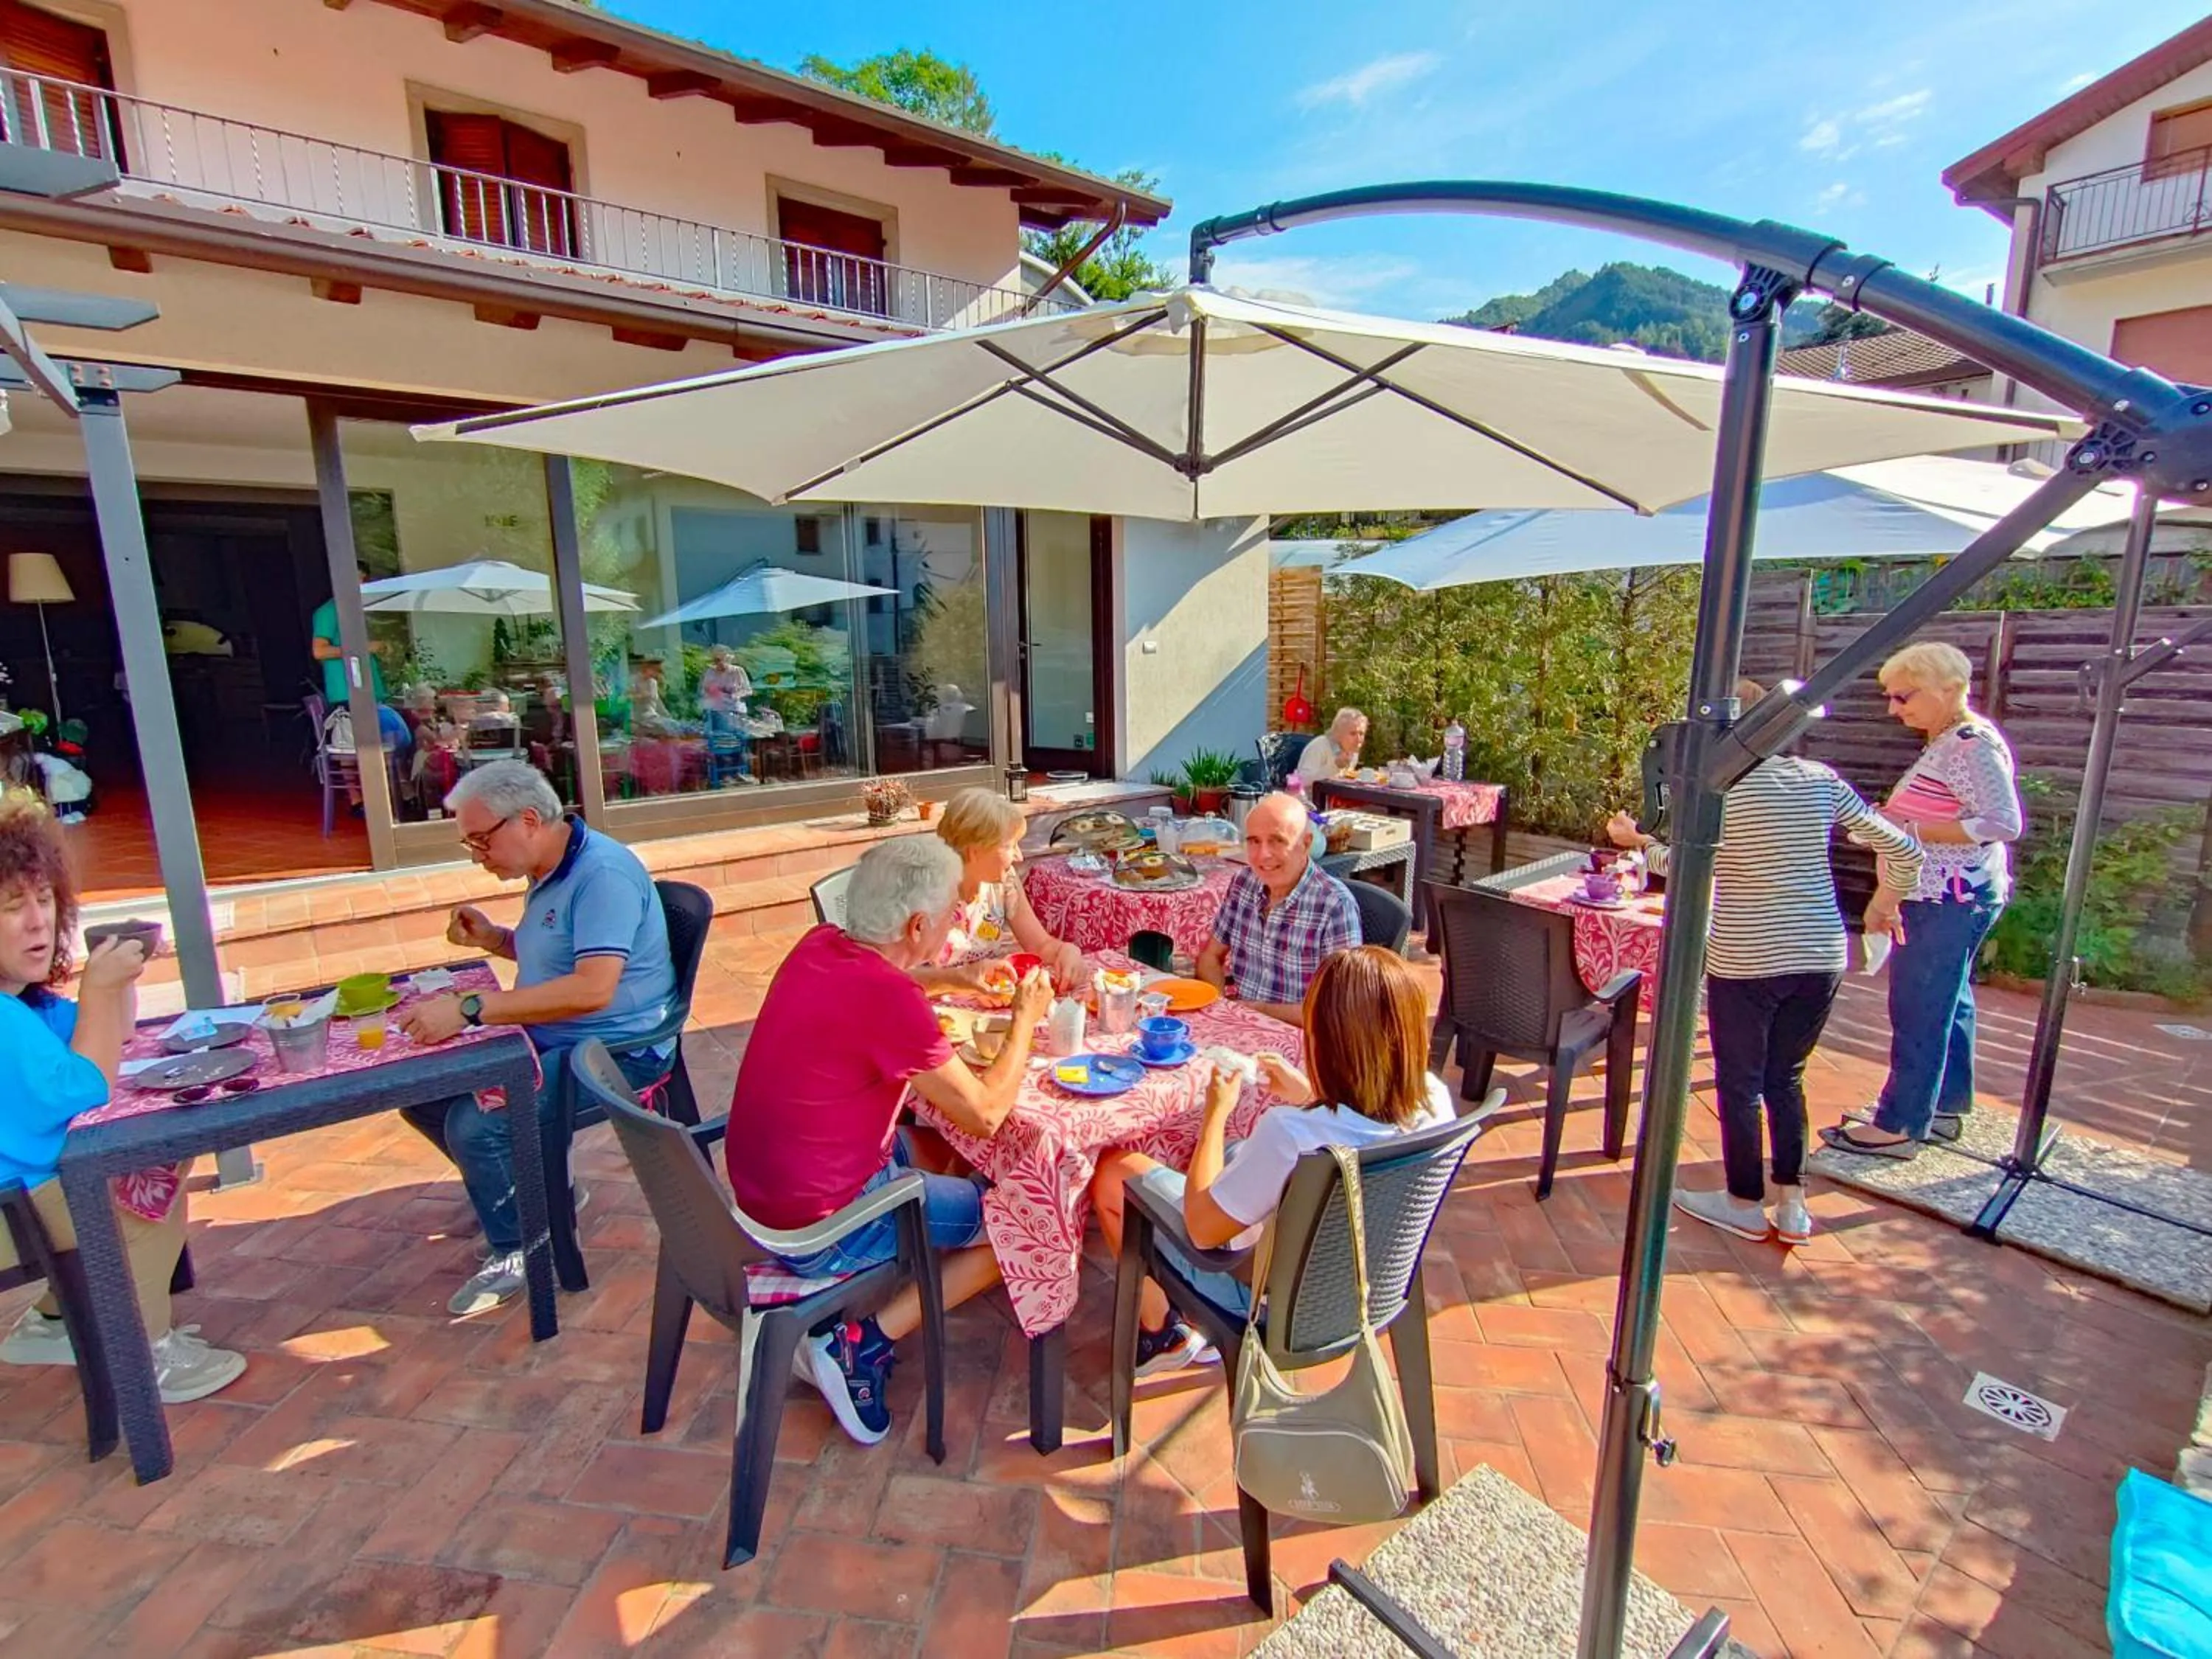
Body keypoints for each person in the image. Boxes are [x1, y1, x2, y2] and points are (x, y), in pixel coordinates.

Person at [723, 835, 1053, 1446]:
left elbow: (882, 987)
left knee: (943, 1154)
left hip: (769, 1189)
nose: (960, 917)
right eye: (953, 910)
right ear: (919, 923)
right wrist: (1028, 1018)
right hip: (819, 1226)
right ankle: (861, 1343)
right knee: (1023, 1221)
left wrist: (957, 974)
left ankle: (927, 1257)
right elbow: (984, 1113)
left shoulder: (819, 945)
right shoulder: (890, 998)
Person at [1606, 679, 1922, 1243]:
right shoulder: (1820, 780)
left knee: (1741, 1082)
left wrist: (1634, 840)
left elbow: (1686, 863)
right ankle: (1794, 1204)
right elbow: (1904, 847)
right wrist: (1884, 901)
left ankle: (1745, 1201)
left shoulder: (1717, 791)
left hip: (1746, 956)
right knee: (1788, 1077)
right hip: (1819, 953)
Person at [1088, 945, 1455, 1373]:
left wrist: (1214, 1115)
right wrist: (1310, 1096)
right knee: (1232, 1154)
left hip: (1272, 1305)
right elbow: (1362, 1126)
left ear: (1327, 1044)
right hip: (1372, 1283)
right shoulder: (1435, 1098)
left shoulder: (1290, 1133)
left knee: (1115, 1173)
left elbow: (1203, 1231)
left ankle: (1164, 1333)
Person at [397, 761, 678, 1315]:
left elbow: (594, 988)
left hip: (614, 1053)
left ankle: (520, 1248)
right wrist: (497, 940)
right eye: (469, 843)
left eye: (481, 839)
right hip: (555, 1038)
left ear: (528, 820)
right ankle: (539, 1195)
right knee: (423, 1094)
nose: (478, 854)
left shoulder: (603, 876)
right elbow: (562, 959)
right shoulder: (551, 865)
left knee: (476, 1124)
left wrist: (472, 1008)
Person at [0, 796, 247, 1402]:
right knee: (145, 1199)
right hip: (12, 1209)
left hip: (24, 1190)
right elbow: (87, 1083)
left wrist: (117, 986)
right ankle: (146, 1356)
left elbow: (110, 1035)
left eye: (44, 899)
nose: (37, 921)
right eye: (11, 906)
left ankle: (52, 1320)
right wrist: (100, 987)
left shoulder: (23, 1000)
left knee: (159, 1158)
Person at [1822, 642, 2023, 1160]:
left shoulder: (1970, 745)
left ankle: (1900, 1125)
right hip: (1952, 892)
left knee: (1919, 1006)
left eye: (1904, 696)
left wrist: (1904, 827)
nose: (1895, 709)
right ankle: (1944, 1108)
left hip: (1947, 896)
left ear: (1947, 688)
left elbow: (2002, 823)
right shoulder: (1947, 741)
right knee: (1948, 1000)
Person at [1196, 791, 1358, 1023]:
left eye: (1277, 840)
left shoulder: (1335, 906)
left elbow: (1341, 1010)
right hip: (1243, 1029)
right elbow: (1210, 957)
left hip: (1303, 1041)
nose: (1264, 855)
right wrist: (1222, 1009)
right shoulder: (1244, 882)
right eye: (1254, 841)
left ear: (1306, 844)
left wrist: (1256, 1009)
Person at [919, 787, 1084, 992]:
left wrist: (1066, 951)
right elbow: (891, 975)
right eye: (1009, 846)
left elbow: (1040, 945)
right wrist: (959, 981)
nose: (1020, 856)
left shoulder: (1006, 882)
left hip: (988, 1002)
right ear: (975, 851)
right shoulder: (922, 892)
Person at [700, 647, 754, 783]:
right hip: (718, 710)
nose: (720, 663)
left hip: (736, 710)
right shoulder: (710, 673)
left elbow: (748, 690)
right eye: (717, 660)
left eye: (722, 660)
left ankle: (738, 772)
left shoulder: (737, 671)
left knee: (740, 740)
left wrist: (737, 694)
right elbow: (705, 690)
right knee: (723, 742)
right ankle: (725, 775)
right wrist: (713, 691)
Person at [1295, 707, 1368, 787]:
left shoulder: (1353, 752)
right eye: (1353, 734)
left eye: (1361, 734)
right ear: (1338, 733)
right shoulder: (1320, 745)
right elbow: (1301, 781)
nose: (1358, 739)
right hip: (1308, 798)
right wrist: (1335, 765)